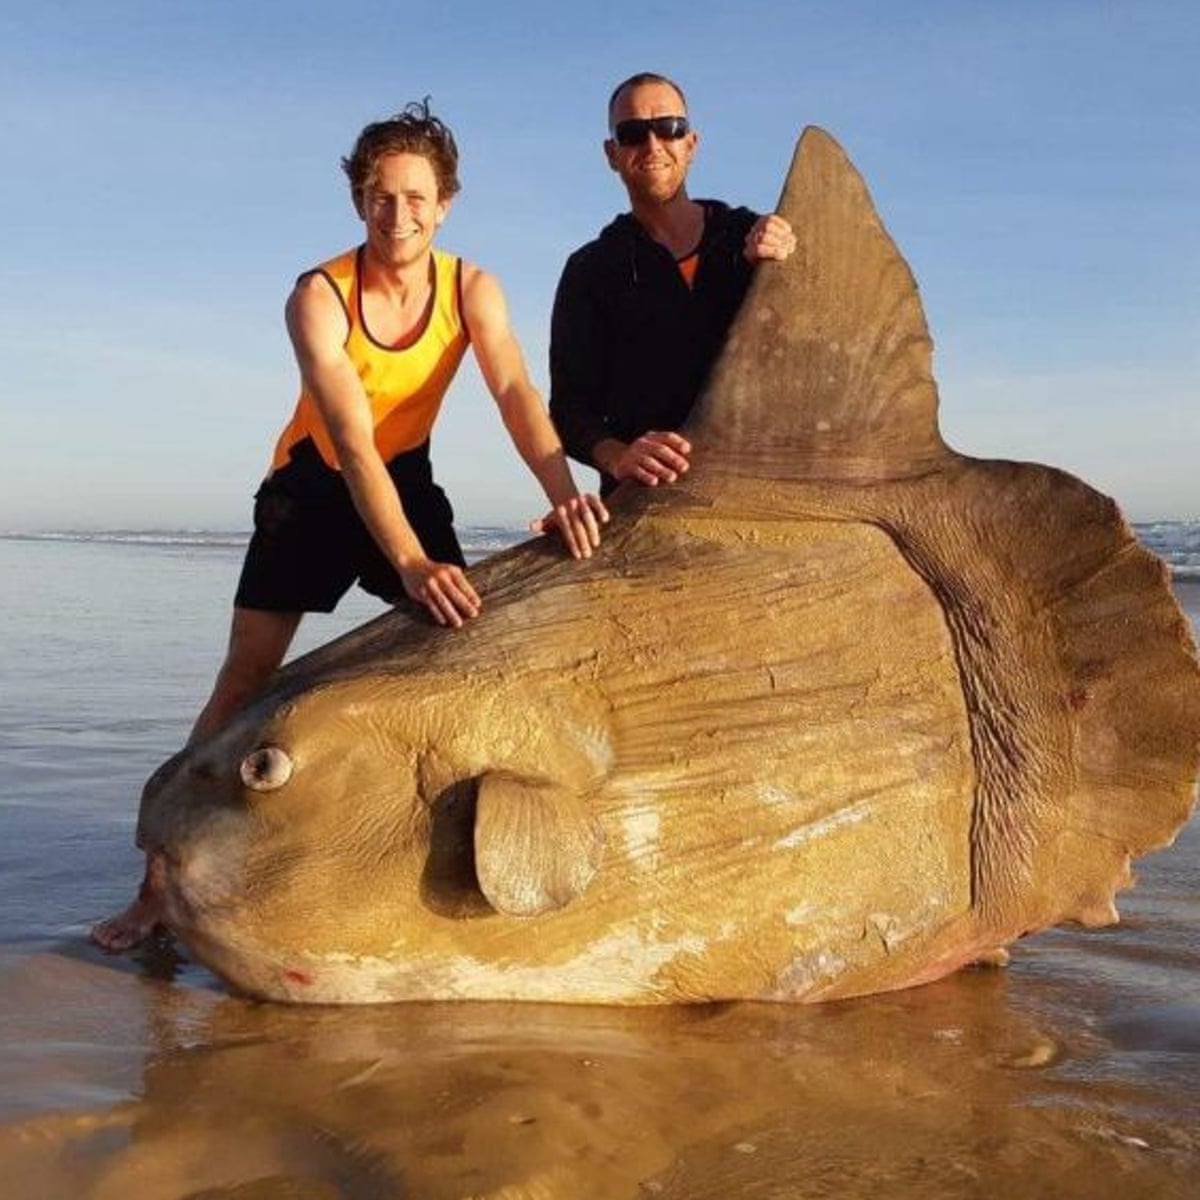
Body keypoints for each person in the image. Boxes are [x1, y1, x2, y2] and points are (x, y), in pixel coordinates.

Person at [92, 100, 607, 952]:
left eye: (414, 198)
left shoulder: (472, 287)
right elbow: (353, 443)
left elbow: (516, 395)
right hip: (313, 484)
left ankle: (419, 855)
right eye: (379, 197)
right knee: (247, 676)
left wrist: (563, 489)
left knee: (460, 642)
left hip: (404, 475)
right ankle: (157, 882)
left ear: (444, 204)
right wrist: (406, 561)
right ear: (358, 202)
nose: (396, 215)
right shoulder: (319, 296)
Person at [549, 72, 796, 495]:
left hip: (762, 493)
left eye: (669, 128)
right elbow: (570, 412)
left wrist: (791, 262)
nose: (652, 145)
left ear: (691, 143)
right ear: (612, 153)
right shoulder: (590, 270)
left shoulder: (751, 237)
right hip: (650, 505)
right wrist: (618, 456)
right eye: (632, 134)